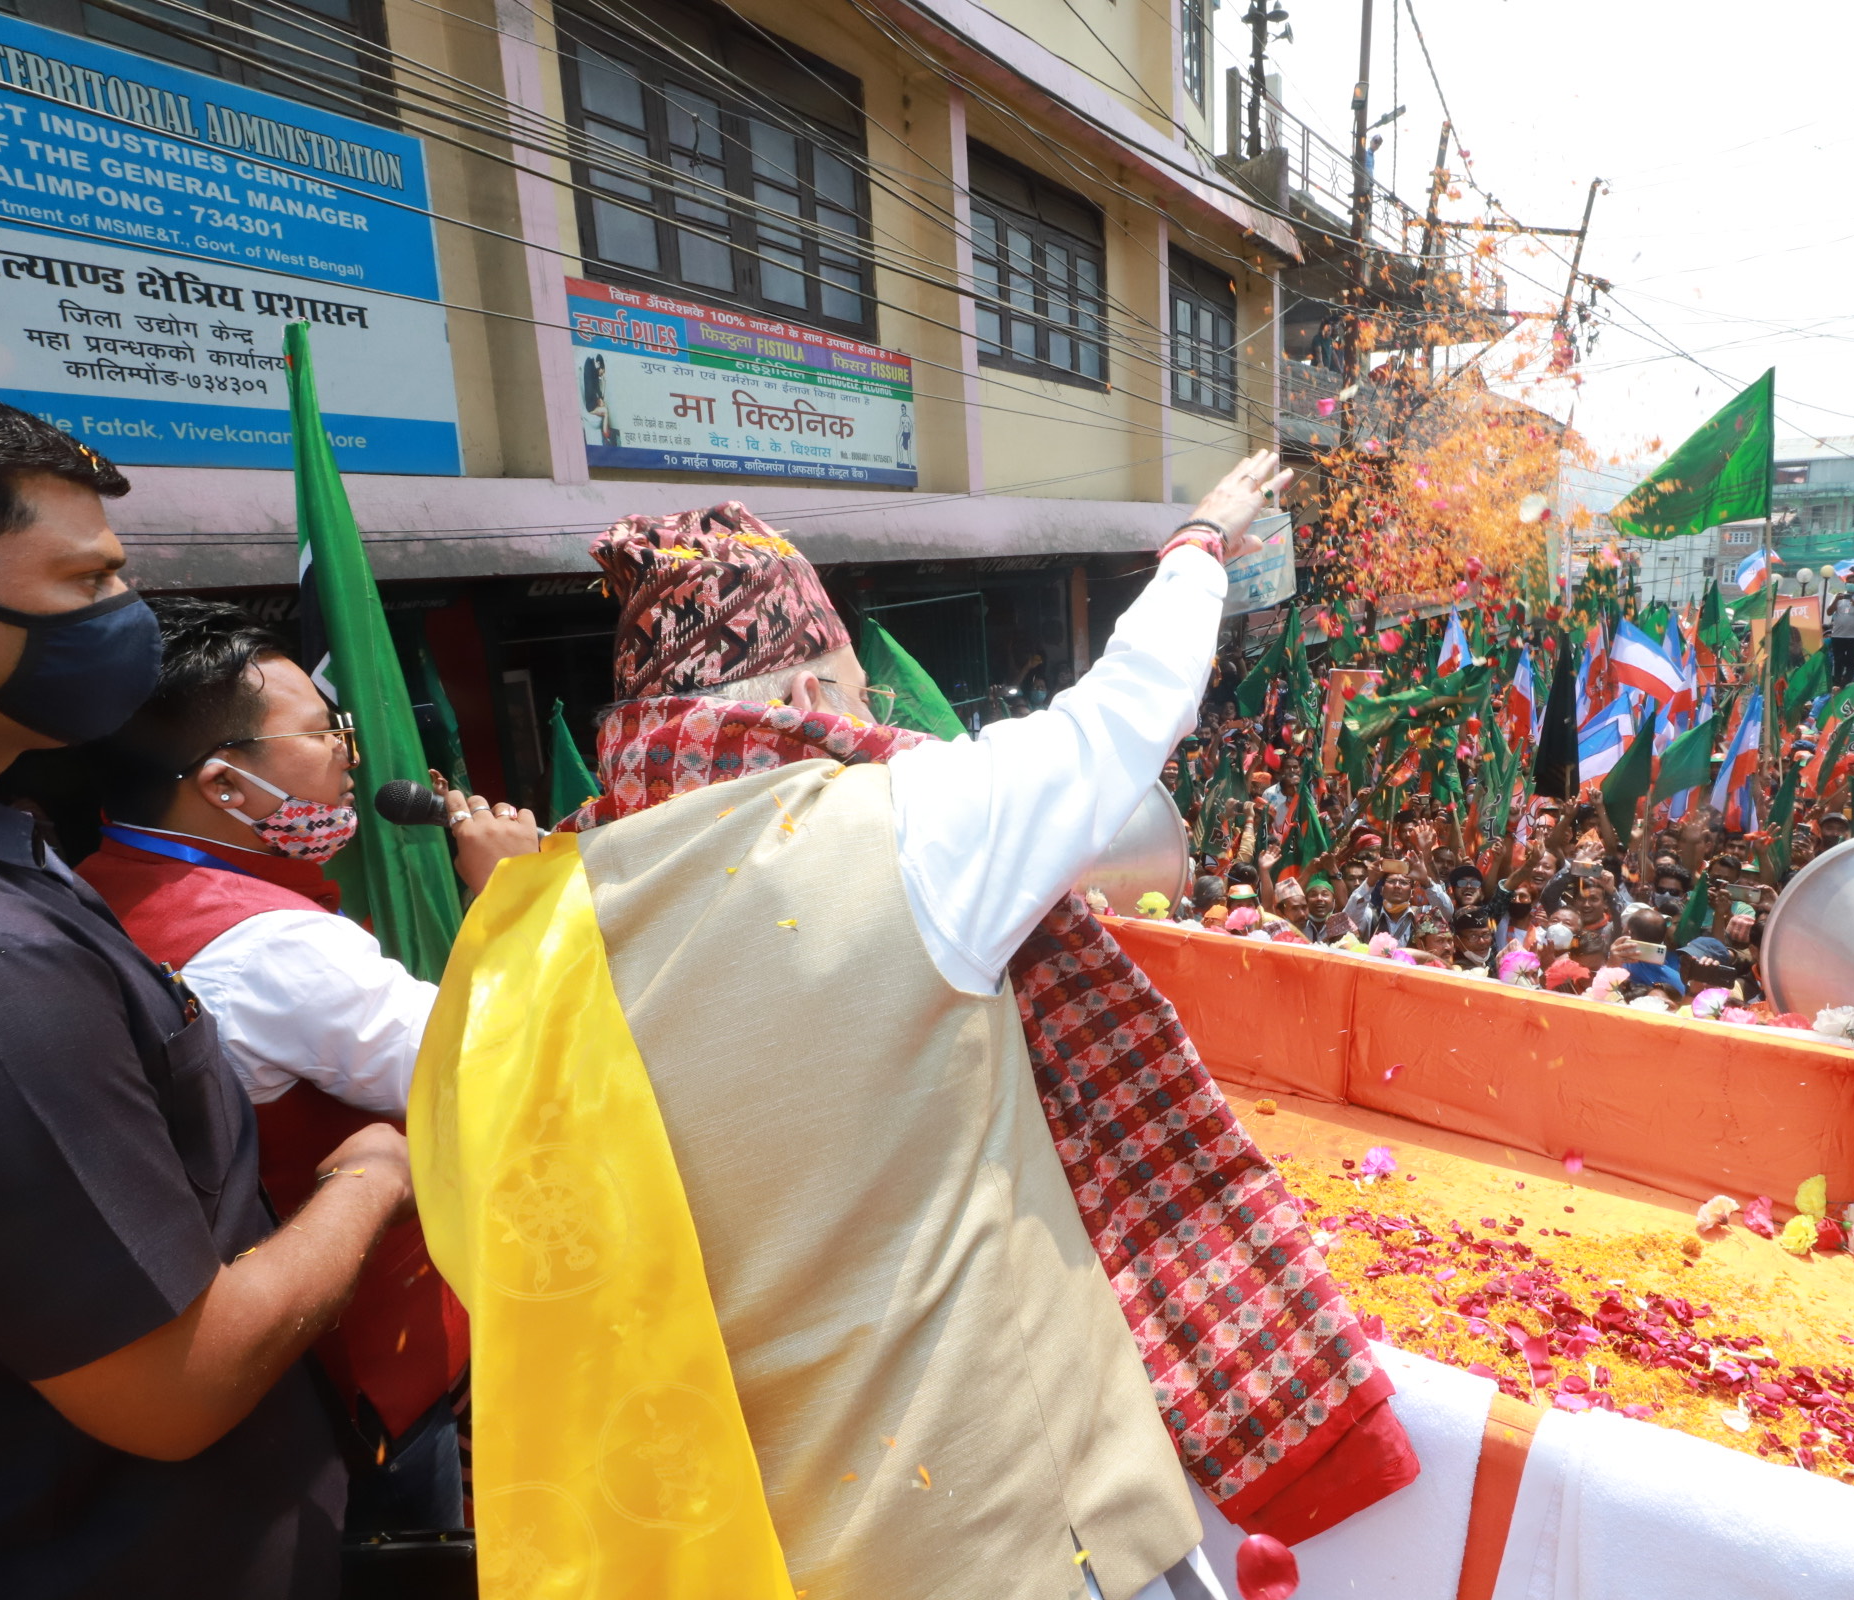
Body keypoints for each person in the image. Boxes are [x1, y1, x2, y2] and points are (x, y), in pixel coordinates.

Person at [407, 457, 1415, 1600]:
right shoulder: (903, 828)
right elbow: (1128, 709)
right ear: (795, 702)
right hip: (1029, 1542)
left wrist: (519, 892)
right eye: (849, 683)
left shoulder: (548, 932)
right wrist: (1199, 540)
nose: (871, 716)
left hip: (792, 1554)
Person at [0, 394, 407, 1596]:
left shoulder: (36, 851)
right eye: (86, 582)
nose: (125, 619)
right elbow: (174, 1385)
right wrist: (368, 1181)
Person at [74, 600, 546, 1530]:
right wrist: (514, 898)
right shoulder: (271, 946)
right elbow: (492, 1072)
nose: (347, 755)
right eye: (323, 732)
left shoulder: (92, 879)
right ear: (226, 786)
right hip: (370, 1363)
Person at [1824, 576, 1854, 686]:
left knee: (1851, 662)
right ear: (1845, 583)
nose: (1851, 584)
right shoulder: (1837, 596)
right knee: (1838, 661)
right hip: (1838, 635)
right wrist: (1836, 600)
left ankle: (1847, 683)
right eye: (1849, 582)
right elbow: (1829, 612)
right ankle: (1836, 684)